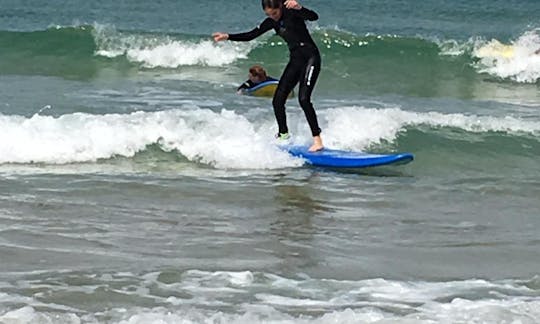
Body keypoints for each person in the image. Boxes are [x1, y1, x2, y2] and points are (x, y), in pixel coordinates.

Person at [213, 0, 323, 151]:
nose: (273, 17)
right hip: (296, 60)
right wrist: (228, 36)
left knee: (304, 99)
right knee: (277, 100)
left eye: (275, 13)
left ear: (280, 7)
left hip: (311, 57)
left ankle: (317, 141)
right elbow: (250, 35)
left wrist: (299, 7)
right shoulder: (271, 22)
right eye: (269, 14)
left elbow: (313, 17)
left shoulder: (292, 12)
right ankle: (283, 135)